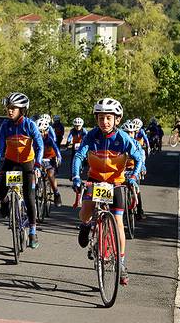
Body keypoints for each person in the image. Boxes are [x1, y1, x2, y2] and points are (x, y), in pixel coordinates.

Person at [72, 98, 143, 286]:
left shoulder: (123, 139)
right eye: (101, 118)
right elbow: (79, 156)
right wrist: (76, 177)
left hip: (116, 182)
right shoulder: (91, 136)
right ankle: (86, 226)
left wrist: (134, 176)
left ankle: (121, 262)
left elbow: (138, 158)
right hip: (95, 180)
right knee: (85, 213)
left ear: (117, 119)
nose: (105, 122)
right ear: (96, 119)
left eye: (109, 118)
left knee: (118, 221)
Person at [0, 92, 44, 249]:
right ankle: (6, 202)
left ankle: (33, 232)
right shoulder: (5, 126)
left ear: (22, 109)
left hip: (27, 163)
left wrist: (38, 165)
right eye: (8, 108)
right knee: (0, 192)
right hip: (10, 162)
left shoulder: (29, 125)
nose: (10, 111)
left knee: (29, 197)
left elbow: (40, 145)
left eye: (13, 108)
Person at [121, 120, 147, 220]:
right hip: (122, 169)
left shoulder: (136, 144)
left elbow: (141, 157)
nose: (129, 135)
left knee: (136, 190)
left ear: (135, 133)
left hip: (133, 169)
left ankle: (139, 211)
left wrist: (142, 167)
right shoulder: (120, 143)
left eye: (131, 132)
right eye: (127, 132)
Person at [35, 116, 63, 206]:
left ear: (46, 131)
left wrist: (59, 157)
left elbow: (56, 148)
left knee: (50, 175)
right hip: (38, 159)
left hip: (50, 158)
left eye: (42, 132)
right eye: (38, 132)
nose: (40, 134)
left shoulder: (49, 139)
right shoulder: (34, 139)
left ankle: (56, 193)